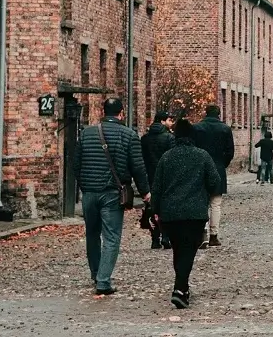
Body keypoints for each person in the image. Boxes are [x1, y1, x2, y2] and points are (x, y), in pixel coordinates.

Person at [78, 98, 149, 295]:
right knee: (111, 237)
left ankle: (95, 273)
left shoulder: (87, 133)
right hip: (112, 193)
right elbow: (138, 166)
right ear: (121, 113)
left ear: (103, 111)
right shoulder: (129, 135)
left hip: (89, 192)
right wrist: (145, 192)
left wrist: (84, 186)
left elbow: (76, 163)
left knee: (92, 234)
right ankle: (103, 281)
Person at [152, 119, 223, 309]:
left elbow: (157, 187)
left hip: (170, 213)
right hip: (194, 213)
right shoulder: (202, 156)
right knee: (189, 251)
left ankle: (182, 288)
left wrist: (155, 211)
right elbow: (215, 181)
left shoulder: (167, 157)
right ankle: (180, 288)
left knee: (178, 250)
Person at [192, 105, 234, 248]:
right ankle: (214, 236)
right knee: (215, 204)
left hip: (200, 169)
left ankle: (202, 234)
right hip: (218, 168)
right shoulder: (225, 129)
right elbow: (230, 152)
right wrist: (222, 164)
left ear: (206, 113)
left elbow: (193, 148)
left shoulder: (197, 128)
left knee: (202, 202)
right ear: (219, 114)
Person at [141, 111, 176, 249]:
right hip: (166, 178)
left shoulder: (145, 139)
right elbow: (173, 160)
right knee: (166, 208)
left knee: (152, 208)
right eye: (169, 120)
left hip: (149, 177)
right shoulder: (169, 138)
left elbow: (141, 160)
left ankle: (155, 238)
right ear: (162, 121)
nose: (171, 122)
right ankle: (166, 237)